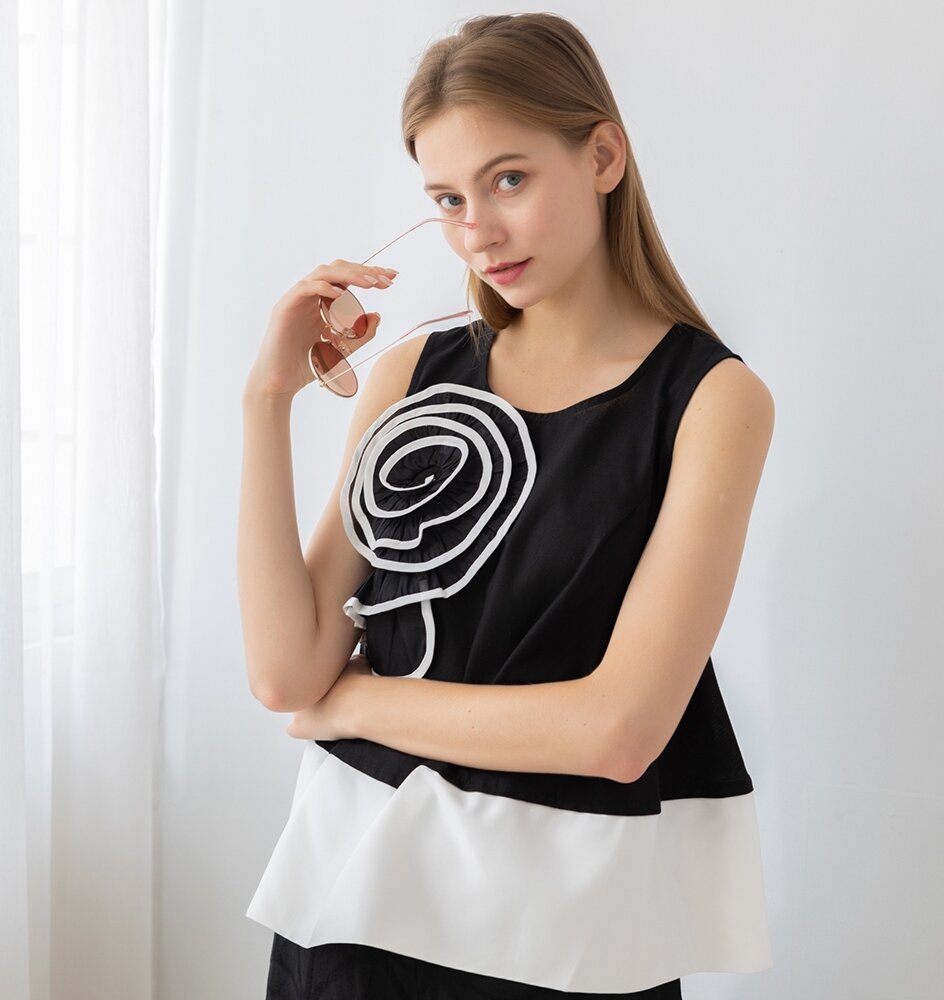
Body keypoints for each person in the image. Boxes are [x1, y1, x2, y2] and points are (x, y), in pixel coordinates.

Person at [238, 12, 775, 1000]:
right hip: (352, 909)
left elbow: (617, 732)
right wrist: (266, 400)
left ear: (602, 156)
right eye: (447, 198)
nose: (476, 230)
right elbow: (285, 671)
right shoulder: (410, 374)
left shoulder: (708, 399)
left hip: (563, 934)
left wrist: (353, 702)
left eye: (509, 180)